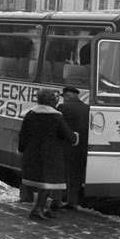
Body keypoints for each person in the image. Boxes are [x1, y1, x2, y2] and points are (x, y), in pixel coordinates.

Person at [18, 89, 78, 220]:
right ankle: (38, 209)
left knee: (42, 182)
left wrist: (21, 150)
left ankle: (44, 208)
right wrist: (75, 136)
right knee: (47, 183)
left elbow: (23, 135)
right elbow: (69, 136)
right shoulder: (56, 117)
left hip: (33, 154)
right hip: (50, 156)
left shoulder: (30, 114)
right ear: (52, 101)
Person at [54, 86, 90, 210]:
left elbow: (57, 126)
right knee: (76, 176)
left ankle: (56, 200)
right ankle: (72, 202)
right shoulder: (87, 108)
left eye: (64, 97)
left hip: (66, 146)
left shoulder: (63, 108)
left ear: (68, 96)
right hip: (82, 148)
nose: (63, 100)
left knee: (60, 174)